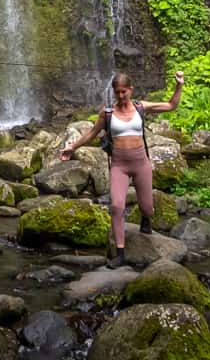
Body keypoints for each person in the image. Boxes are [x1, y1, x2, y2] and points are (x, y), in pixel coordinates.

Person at [59, 70, 184, 267]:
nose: (120, 96)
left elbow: (171, 105)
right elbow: (91, 134)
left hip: (141, 164)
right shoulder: (107, 113)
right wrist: (72, 147)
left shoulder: (141, 107)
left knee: (148, 207)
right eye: (117, 92)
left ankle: (145, 218)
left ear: (131, 90)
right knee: (116, 207)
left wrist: (179, 85)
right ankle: (120, 252)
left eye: (124, 92)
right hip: (119, 166)